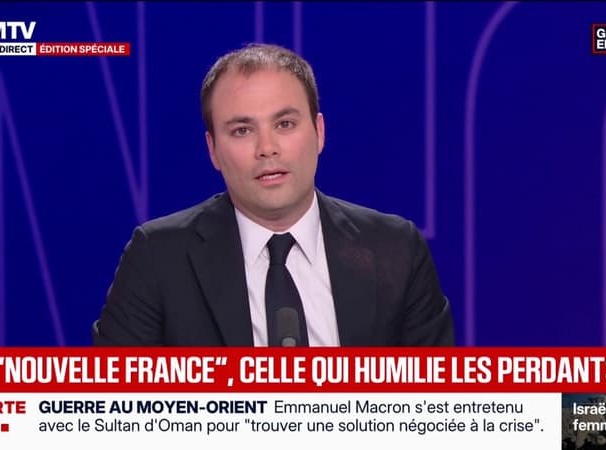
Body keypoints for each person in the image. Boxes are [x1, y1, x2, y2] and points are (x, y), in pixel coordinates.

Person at [93, 43, 453, 347]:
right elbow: (114, 401)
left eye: (285, 124)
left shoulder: (395, 249)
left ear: (319, 132)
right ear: (213, 149)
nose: (267, 148)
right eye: (242, 130)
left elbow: (434, 401)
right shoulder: (158, 258)